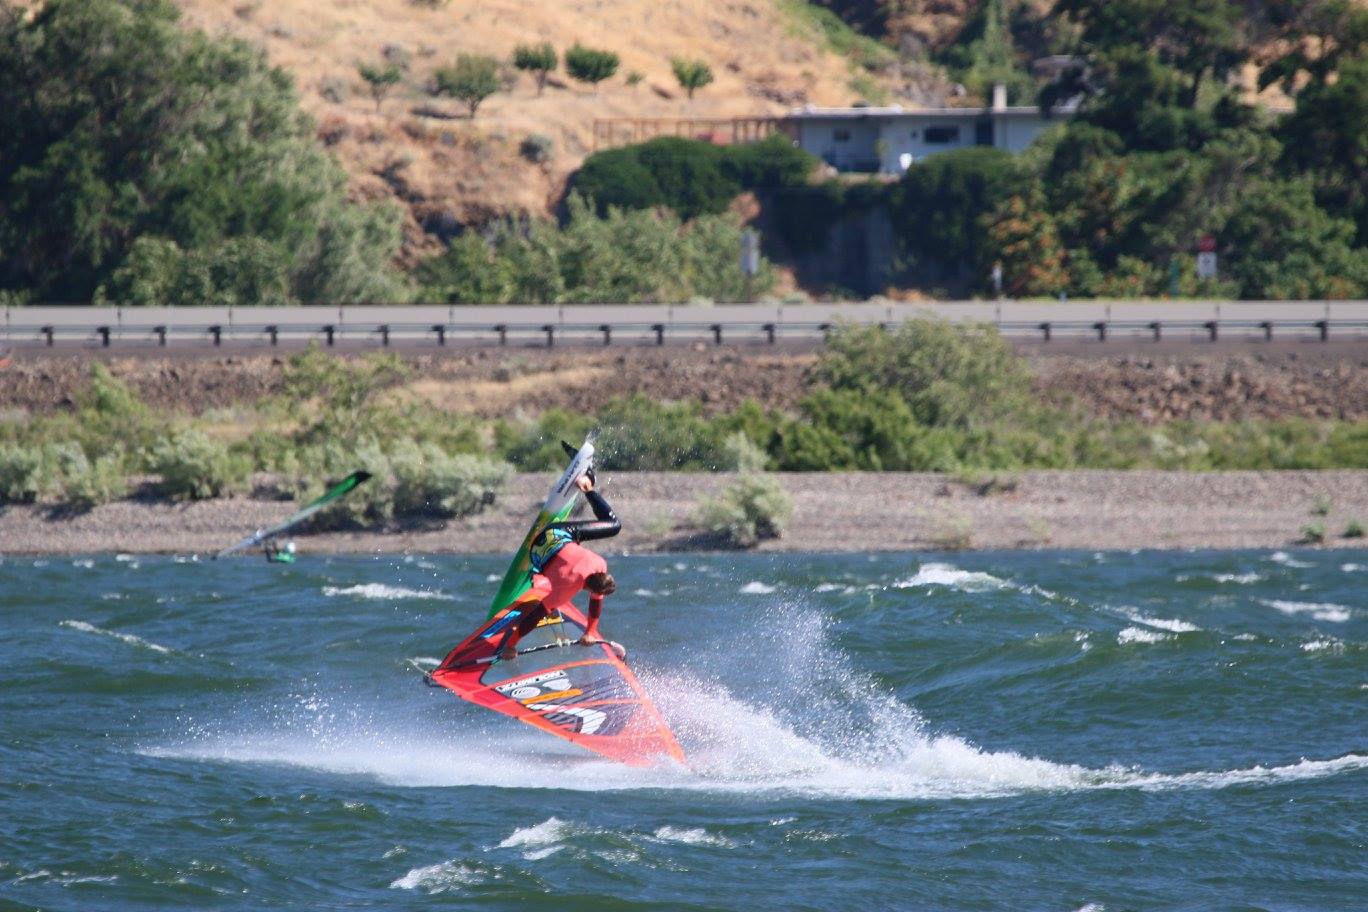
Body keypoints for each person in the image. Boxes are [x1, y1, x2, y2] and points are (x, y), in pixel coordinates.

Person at [496, 473, 622, 661]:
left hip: (558, 532)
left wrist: (591, 631)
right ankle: (535, 575)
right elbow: (535, 617)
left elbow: (597, 596)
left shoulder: (600, 565)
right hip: (535, 552)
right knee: (549, 601)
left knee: (614, 525)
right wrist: (510, 645)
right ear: (589, 589)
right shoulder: (564, 590)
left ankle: (587, 487)